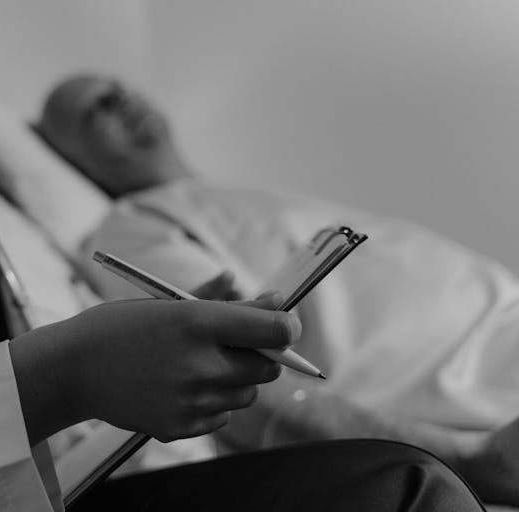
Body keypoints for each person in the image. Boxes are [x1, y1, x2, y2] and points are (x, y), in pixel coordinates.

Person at [0, 1, 489, 510]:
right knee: (399, 491)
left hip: (62, 481)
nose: (123, 106)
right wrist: (65, 377)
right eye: (91, 111)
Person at [35, 73, 519, 507]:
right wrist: (467, 459)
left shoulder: (246, 198)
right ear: (71, 158)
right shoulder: (133, 224)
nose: (123, 102)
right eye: (97, 108)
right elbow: (220, 375)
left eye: (120, 89)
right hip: (485, 420)